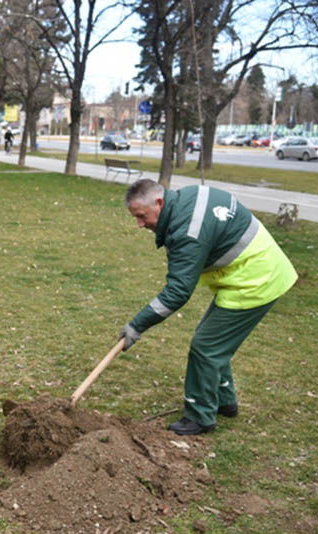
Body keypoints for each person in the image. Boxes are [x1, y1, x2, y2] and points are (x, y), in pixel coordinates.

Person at [119, 179, 297, 435]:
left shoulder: (187, 232)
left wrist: (137, 326)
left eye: (142, 216)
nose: (139, 224)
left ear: (159, 202)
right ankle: (224, 401)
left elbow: (178, 292)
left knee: (206, 347)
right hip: (248, 274)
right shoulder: (185, 198)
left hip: (256, 280)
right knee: (212, 343)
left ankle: (200, 416)